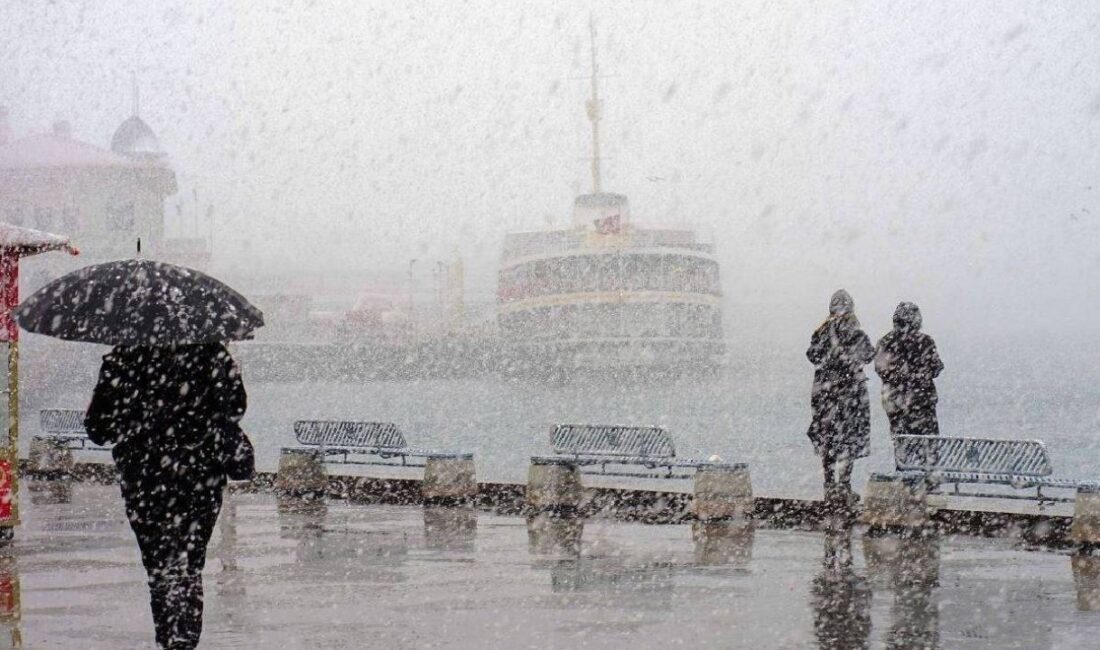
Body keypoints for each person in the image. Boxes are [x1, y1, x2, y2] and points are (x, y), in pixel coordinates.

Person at [85, 342, 248, 650]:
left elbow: (98, 428)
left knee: (160, 566)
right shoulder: (212, 354)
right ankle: (184, 640)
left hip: (144, 481)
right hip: (200, 477)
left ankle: (170, 638)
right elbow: (236, 408)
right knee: (189, 564)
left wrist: (138, 419)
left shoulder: (124, 358)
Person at [806, 290, 874, 505]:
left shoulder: (821, 332)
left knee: (828, 438)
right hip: (851, 394)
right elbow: (868, 355)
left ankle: (829, 486)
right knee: (849, 439)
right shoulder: (856, 333)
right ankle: (844, 486)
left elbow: (812, 355)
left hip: (824, 393)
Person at [874, 302, 943, 437]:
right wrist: (921, 375)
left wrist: (899, 378)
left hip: (895, 403)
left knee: (902, 445)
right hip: (923, 401)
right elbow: (936, 367)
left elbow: (880, 369)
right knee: (928, 445)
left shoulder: (885, 342)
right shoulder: (925, 341)